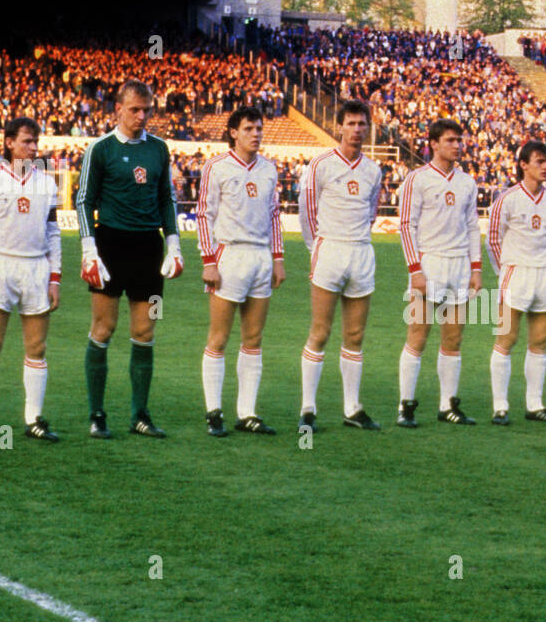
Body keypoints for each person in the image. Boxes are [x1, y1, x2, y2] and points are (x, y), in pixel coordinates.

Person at [76, 79, 183, 439]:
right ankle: (96, 414)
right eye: (134, 109)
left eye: (146, 110)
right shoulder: (100, 149)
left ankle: (140, 414)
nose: (141, 116)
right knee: (104, 328)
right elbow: (83, 201)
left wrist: (174, 245)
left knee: (145, 330)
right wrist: (89, 249)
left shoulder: (159, 149)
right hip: (110, 246)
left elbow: (167, 198)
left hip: (148, 249)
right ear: (118, 109)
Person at [0, 117, 61, 443]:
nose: (33, 147)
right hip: (0, 266)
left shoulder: (48, 183)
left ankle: (33, 418)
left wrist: (55, 278)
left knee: (37, 347)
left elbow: (53, 232)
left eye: (36, 142)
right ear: (8, 142)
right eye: (26, 141)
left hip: (36, 268)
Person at [196, 106, 285, 438]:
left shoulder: (268, 169)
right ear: (233, 132)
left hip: (260, 256)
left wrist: (278, 258)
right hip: (229, 255)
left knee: (254, 338)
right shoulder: (216, 166)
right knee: (218, 338)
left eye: (259, 128)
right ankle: (213, 411)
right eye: (249, 128)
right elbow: (204, 214)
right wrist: (208, 259)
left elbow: (275, 215)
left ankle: (247, 412)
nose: (256, 133)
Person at [297, 99, 383, 432]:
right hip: (329, 249)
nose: (357, 129)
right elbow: (307, 212)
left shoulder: (374, 170)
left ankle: (352, 408)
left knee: (356, 334)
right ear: (339, 126)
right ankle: (308, 408)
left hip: (361, 252)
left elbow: (372, 213)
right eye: (351, 123)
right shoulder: (320, 165)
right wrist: (315, 246)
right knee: (320, 331)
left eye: (362, 124)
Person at [396, 118, 482, 428]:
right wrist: (415, 269)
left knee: (454, 337)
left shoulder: (467, 182)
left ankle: (448, 405)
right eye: (450, 140)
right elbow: (406, 225)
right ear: (433, 143)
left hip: (459, 263)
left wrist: (476, 268)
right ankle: (405, 405)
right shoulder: (417, 179)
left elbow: (472, 226)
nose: (457, 145)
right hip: (429, 263)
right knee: (418, 336)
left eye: (459, 140)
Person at [487, 141, 546, 424]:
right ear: (523, 165)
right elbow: (493, 239)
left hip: (544, 273)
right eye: (540, 161)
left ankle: (535, 404)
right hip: (515, 274)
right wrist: (504, 270)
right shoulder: (507, 199)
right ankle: (500, 406)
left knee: (540, 342)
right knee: (506, 339)